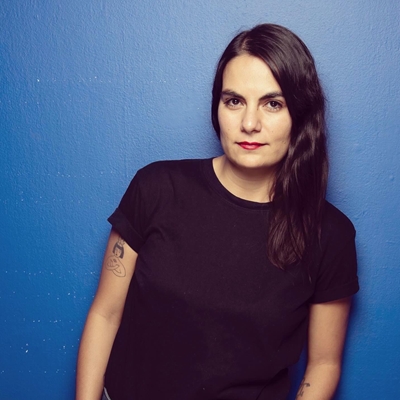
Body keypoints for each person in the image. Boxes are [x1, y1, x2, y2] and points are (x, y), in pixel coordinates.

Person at [76, 23, 359, 400]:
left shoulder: (329, 234)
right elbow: (105, 313)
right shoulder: (156, 188)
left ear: (301, 114)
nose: (249, 124)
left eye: (272, 104)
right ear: (218, 107)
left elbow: (323, 364)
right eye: (234, 101)